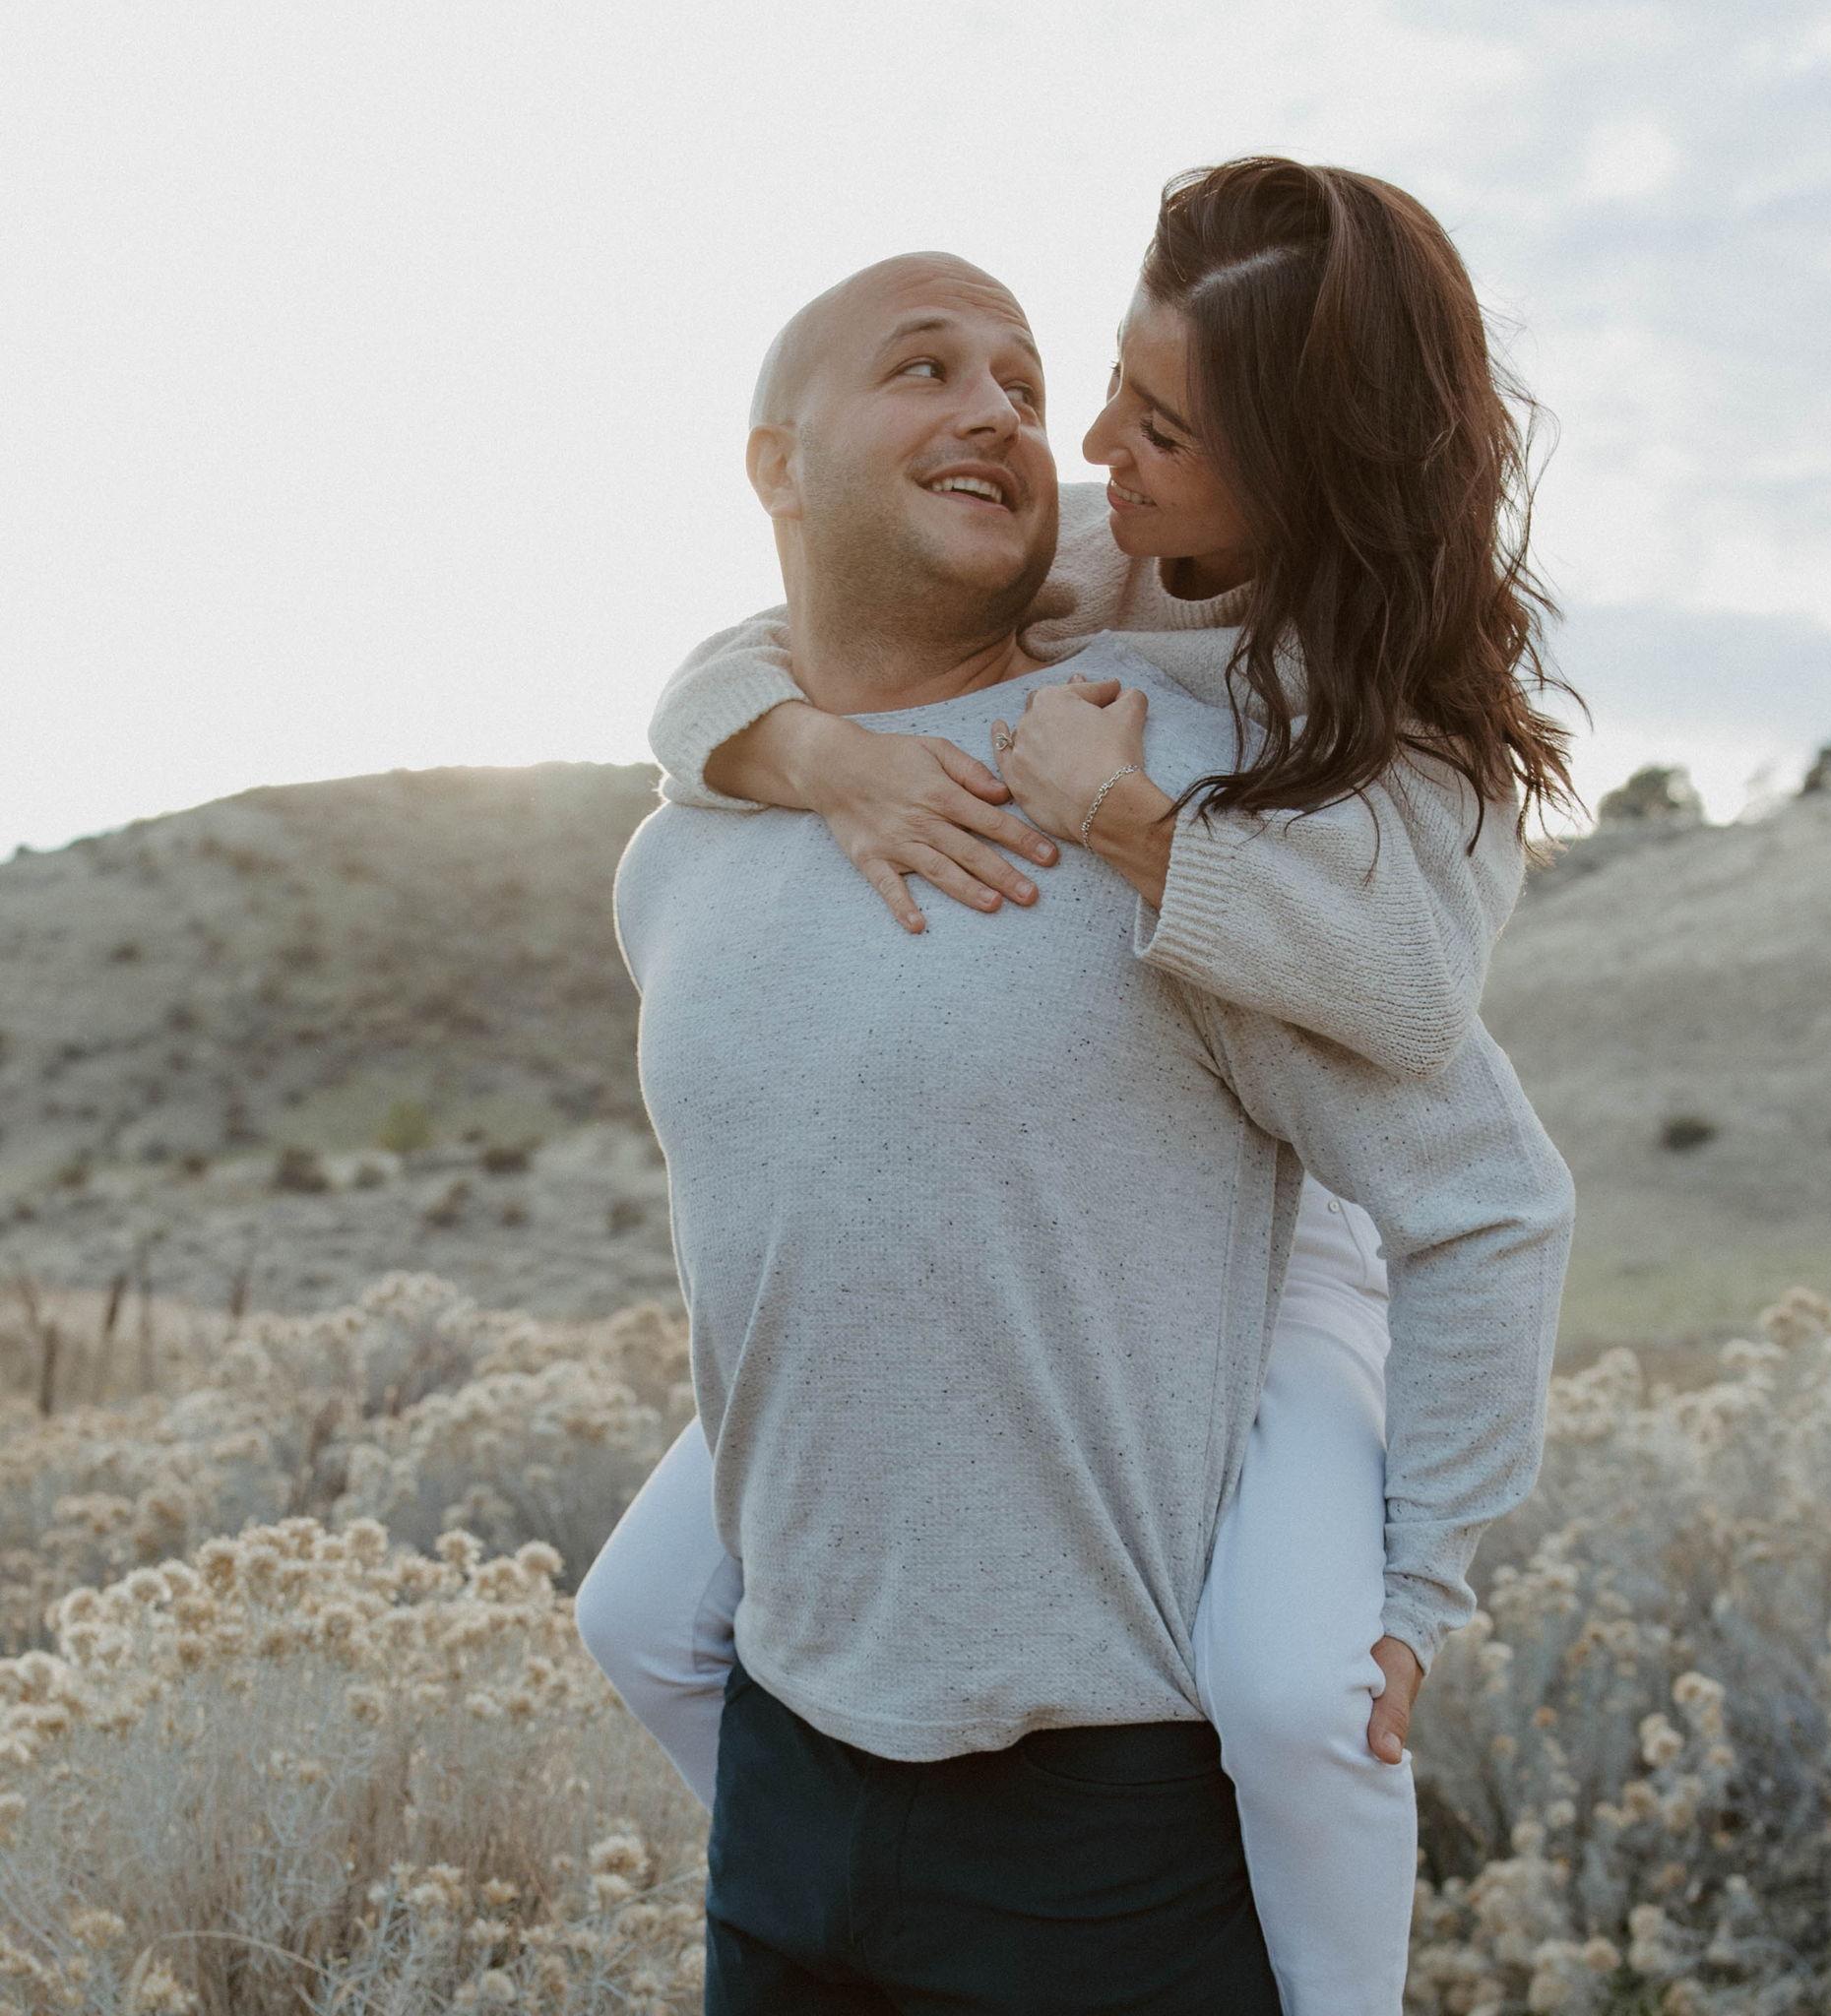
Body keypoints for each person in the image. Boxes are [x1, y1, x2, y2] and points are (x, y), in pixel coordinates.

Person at [588, 225, 1574, 2015]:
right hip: (809, 1820)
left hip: (1283, 1246)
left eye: (1142, 421)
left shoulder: (1336, 732)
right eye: (1074, 392)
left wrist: (1128, 822)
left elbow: (1427, 1040)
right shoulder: (1084, 568)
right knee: (636, 1620)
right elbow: (754, 650)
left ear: (1290, 473)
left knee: (1300, 1695)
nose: (1081, 444)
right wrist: (819, 755)